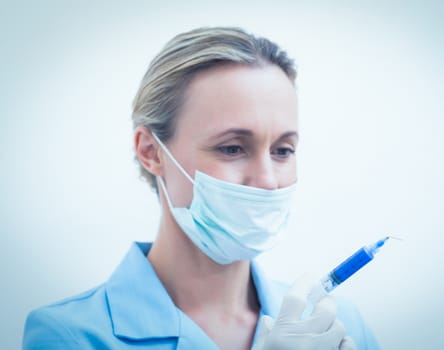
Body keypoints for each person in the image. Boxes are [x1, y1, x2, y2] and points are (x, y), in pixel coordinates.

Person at [23, 27, 380, 349]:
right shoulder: (70, 335)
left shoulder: (336, 327)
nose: (268, 180)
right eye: (232, 148)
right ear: (151, 152)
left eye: (283, 150)